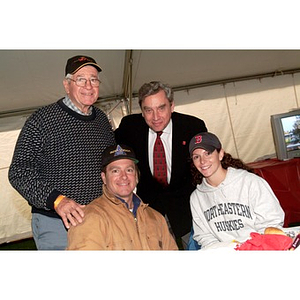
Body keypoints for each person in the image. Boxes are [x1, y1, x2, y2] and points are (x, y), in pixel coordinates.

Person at [8, 55, 115, 250]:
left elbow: (109, 166)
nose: (88, 86)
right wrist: (58, 200)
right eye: (81, 79)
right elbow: (19, 172)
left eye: (93, 79)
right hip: (56, 222)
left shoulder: (101, 120)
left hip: (97, 218)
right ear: (67, 85)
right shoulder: (42, 120)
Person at [115, 81, 207, 248]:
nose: (155, 117)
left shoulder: (192, 127)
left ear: (172, 106)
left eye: (161, 108)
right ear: (142, 111)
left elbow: (207, 168)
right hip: (149, 216)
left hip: (189, 214)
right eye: (148, 110)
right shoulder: (130, 127)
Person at [67, 144, 178, 250]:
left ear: (136, 175)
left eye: (129, 170)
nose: (124, 176)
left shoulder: (156, 218)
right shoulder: (89, 217)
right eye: (115, 171)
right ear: (104, 177)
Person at [189, 131, 285, 250]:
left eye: (207, 153)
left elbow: (271, 223)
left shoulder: (251, 183)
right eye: (196, 157)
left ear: (220, 154)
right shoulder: (196, 198)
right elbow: (204, 236)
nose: (202, 161)